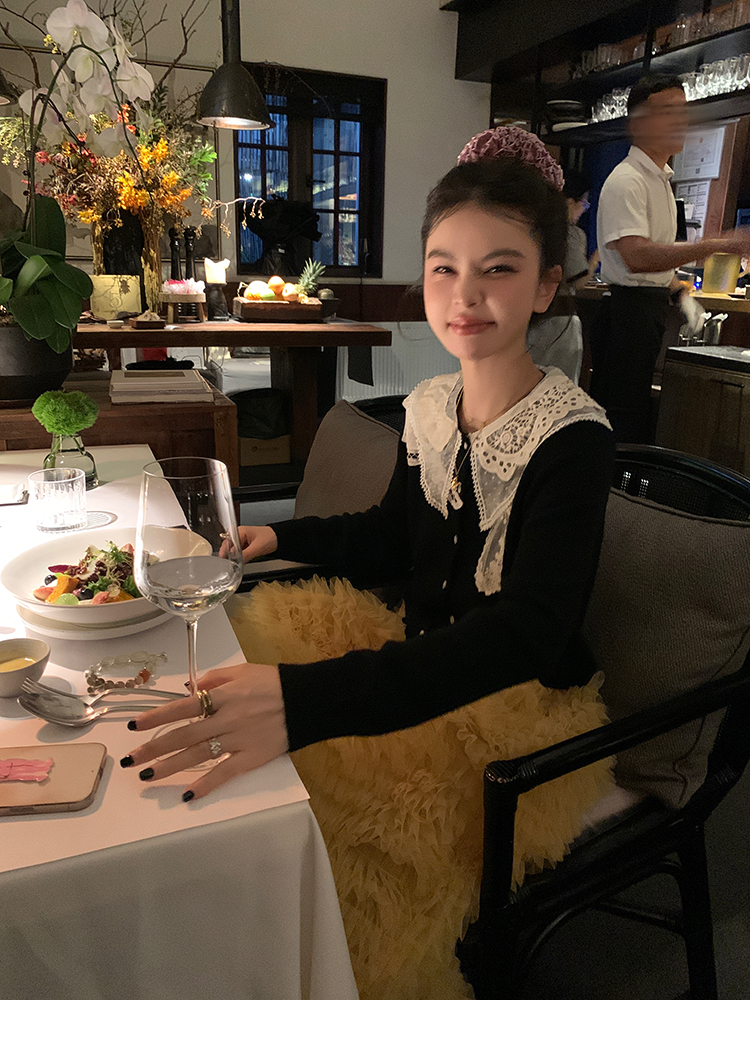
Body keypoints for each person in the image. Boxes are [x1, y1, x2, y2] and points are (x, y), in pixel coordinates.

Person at [121, 128, 616, 998]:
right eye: (443, 268)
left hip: (515, 709)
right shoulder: (431, 405)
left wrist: (313, 700)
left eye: (499, 269)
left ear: (546, 285)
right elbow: (391, 536)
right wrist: (285, 537)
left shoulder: (573, 438)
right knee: (234, 681)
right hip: (418, 650)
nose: (465, 294)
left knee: (342, 829)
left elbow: (529, 636)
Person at [594, 73, 750, 442]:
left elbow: (654, 267)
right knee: (619, 419)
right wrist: (712, 245)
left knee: (633, 413)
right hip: (627, 313)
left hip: (645, 310)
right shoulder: (627, 179)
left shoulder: (659, 181)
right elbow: (636, 257)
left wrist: (680, 292)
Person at [526, 169, 599, 382]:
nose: (583, 210)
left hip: (532, 321)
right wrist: (596, 259)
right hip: (560, 320)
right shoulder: (572, 234)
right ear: (569, 202)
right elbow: (579, 281)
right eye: (583, 203)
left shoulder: (534, 230)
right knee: (560, 384)